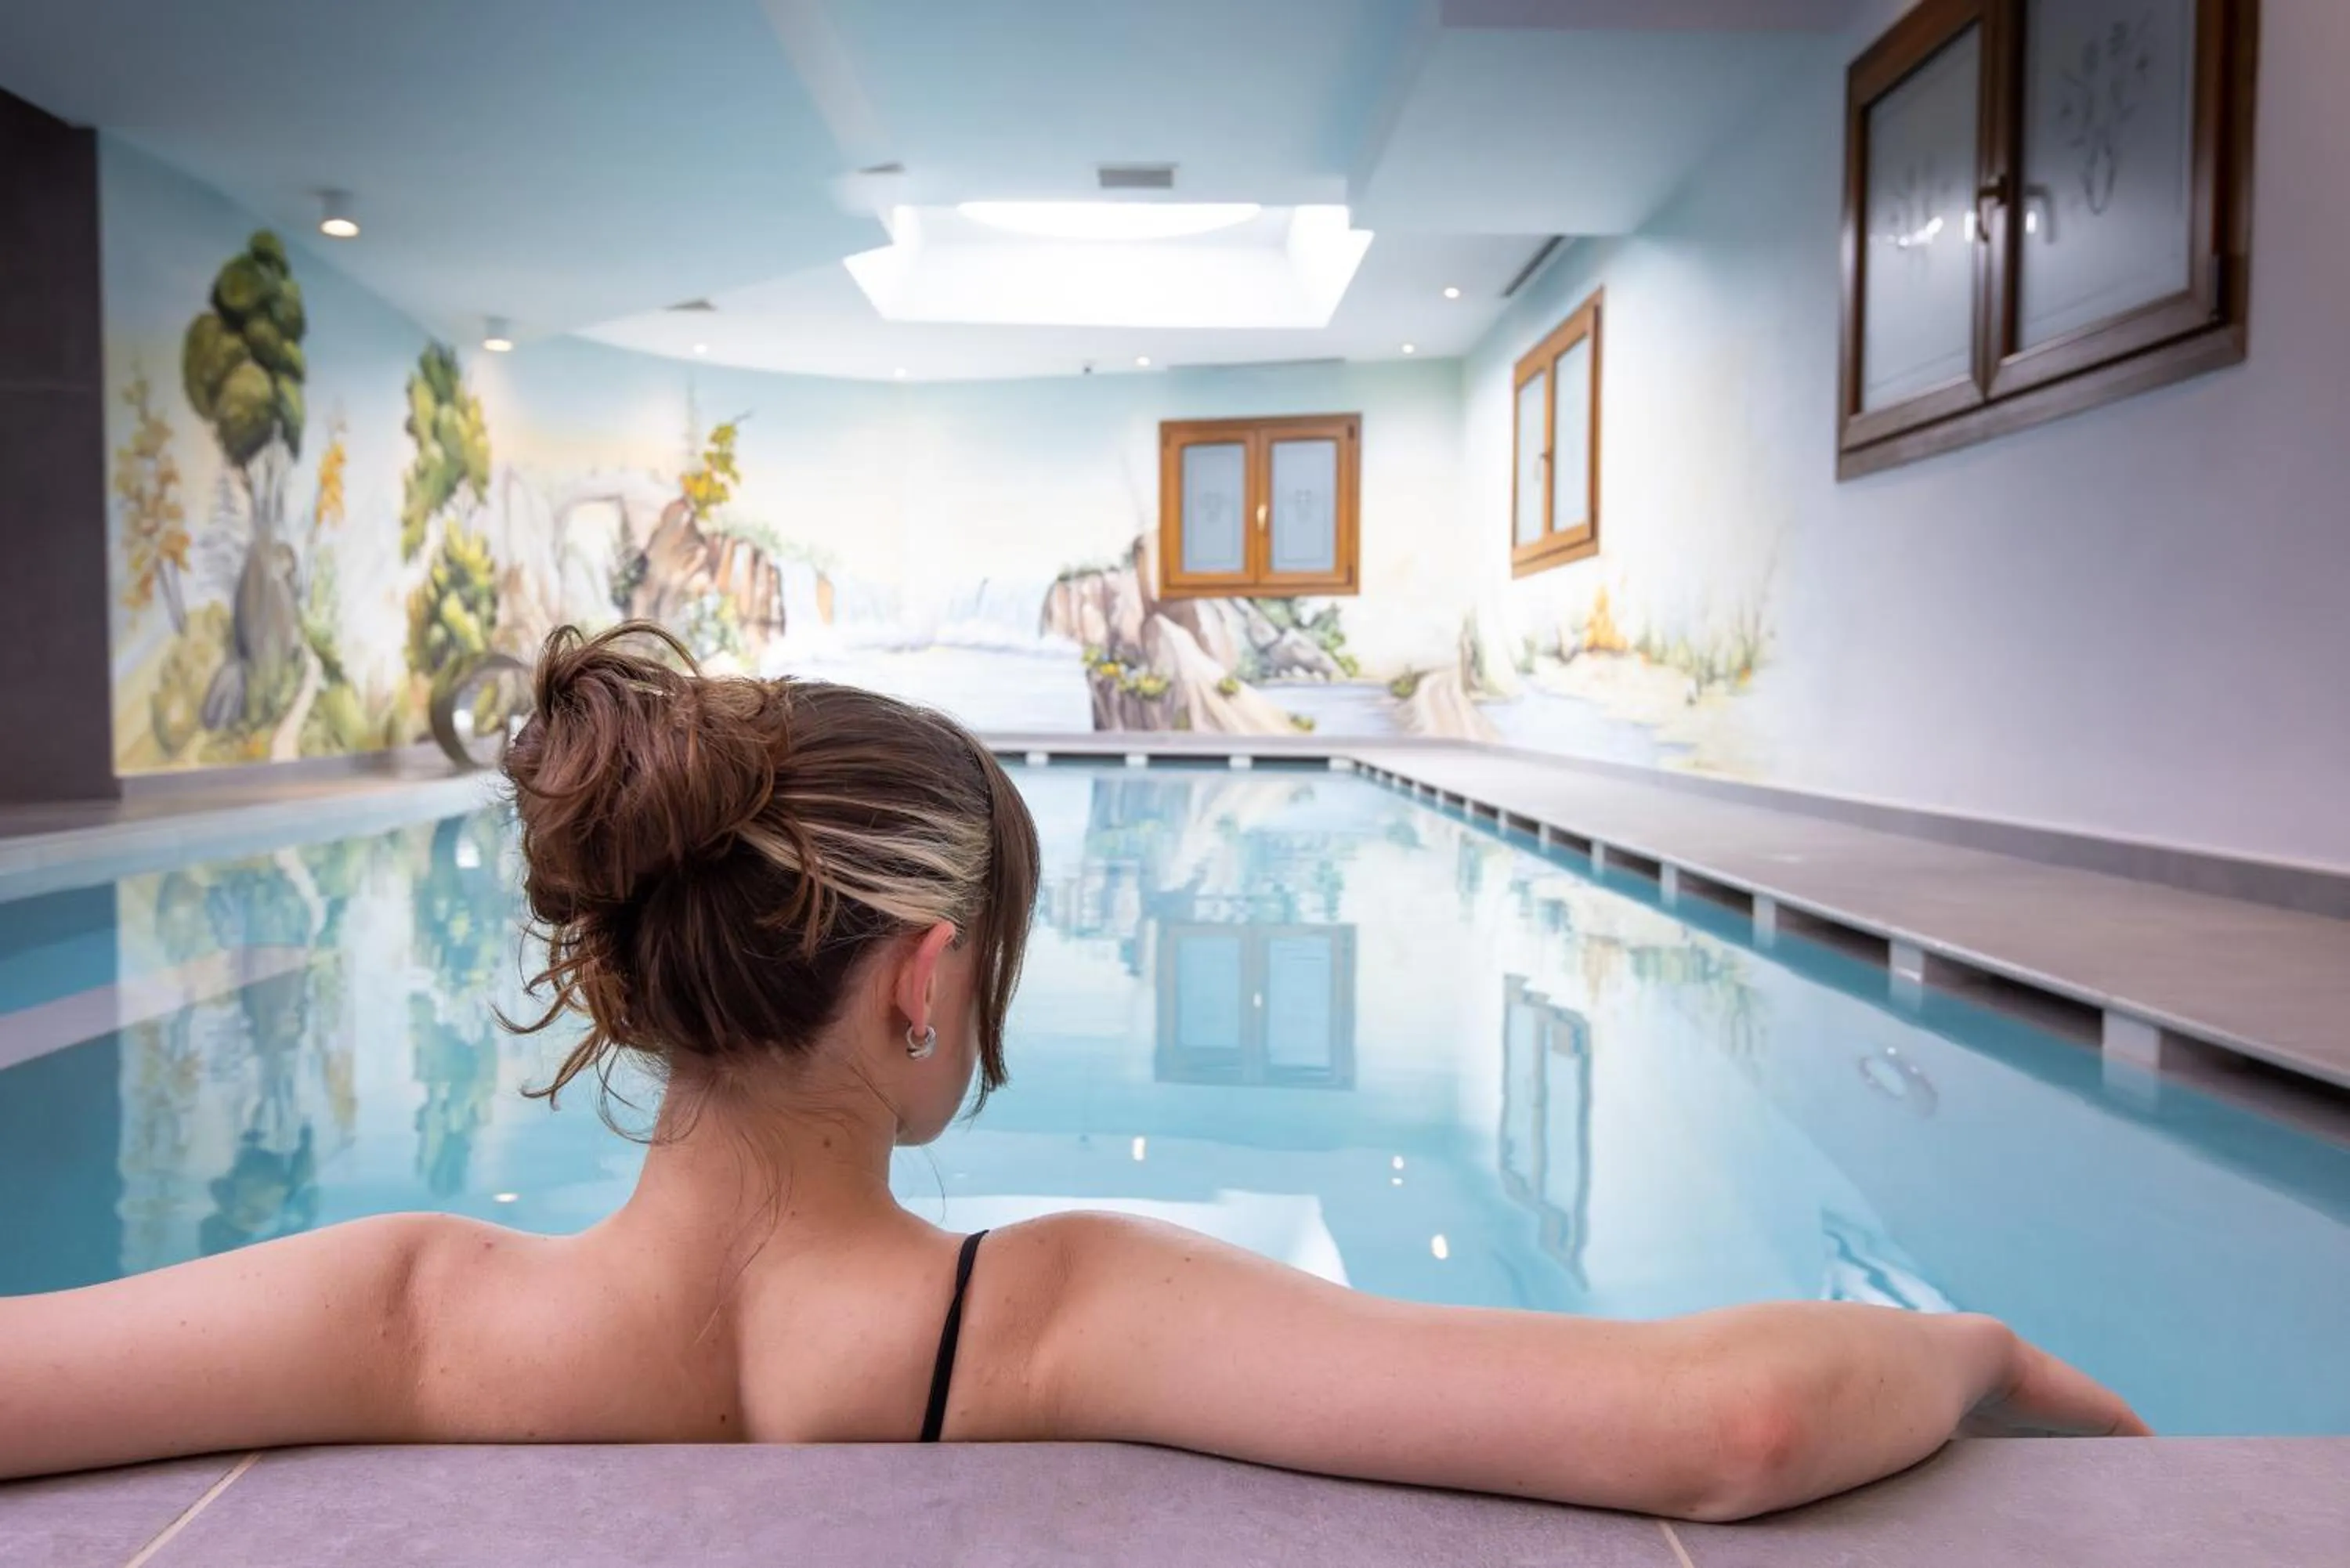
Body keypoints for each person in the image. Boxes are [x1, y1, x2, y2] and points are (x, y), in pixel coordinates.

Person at [0, 623, 2146, 1518]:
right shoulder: (1050, 1319)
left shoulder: (407, 1312)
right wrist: (1971, 1349)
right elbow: (1738, 1422)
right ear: (923, 984)